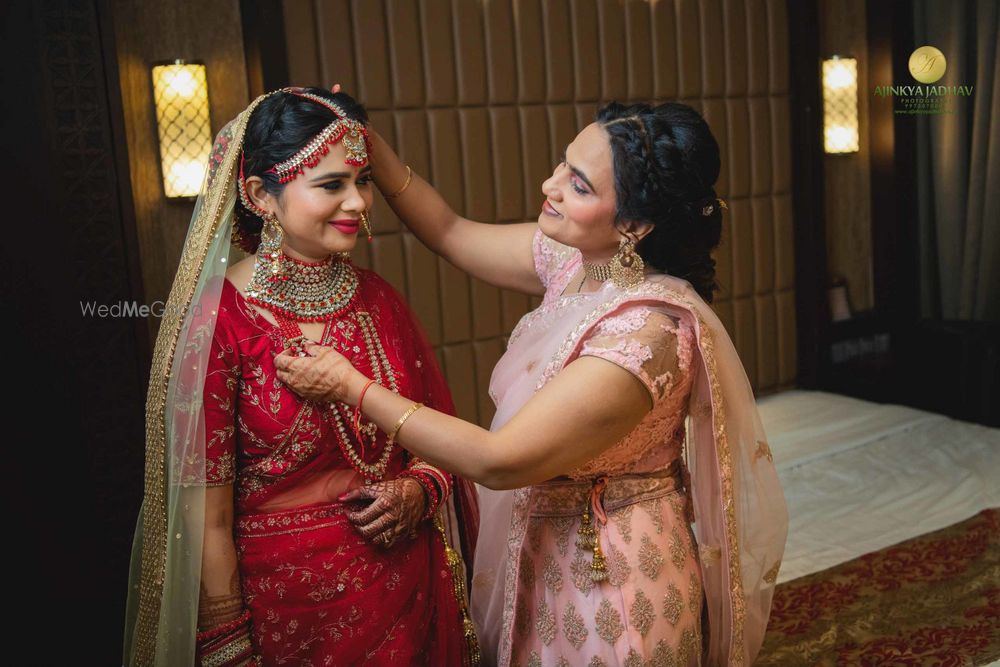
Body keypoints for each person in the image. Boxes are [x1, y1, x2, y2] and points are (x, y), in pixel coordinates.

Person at [275, 99, 789, 666]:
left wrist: (350, 385)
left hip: (612, 579)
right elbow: (448, 231)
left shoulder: (646, 333)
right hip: (542, 550)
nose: (550, 185)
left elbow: (501, 460)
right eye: (561, 165)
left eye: (580, 185)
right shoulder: (577, 262)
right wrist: (370, 145)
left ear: (634, 226)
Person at [122, 87, 480, 667]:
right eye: (331, 185)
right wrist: (228, 645)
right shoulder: (221, 320)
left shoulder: (378, 301)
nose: (359, 202)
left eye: (362, 180)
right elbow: (203, 515)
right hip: (287, 622)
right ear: (262, 194)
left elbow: (434, 438)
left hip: (406, 599)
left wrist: (419, 490)